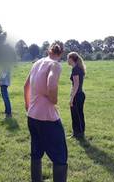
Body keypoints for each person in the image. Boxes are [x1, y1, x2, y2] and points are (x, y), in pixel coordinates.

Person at [24, 42, 68, 182]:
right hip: (48, 119)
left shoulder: (36, 63)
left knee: (36, 153)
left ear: (48, 51)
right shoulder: (55, 65)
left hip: (32, 116)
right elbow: (51, 84)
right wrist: (54, 100)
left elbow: (26, 86)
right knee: (60, 156)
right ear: (61, 54)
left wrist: (27, 104)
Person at [67, 52, 86, 138]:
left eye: (68, 58)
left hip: (77, 95)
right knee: (79, 114)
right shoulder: (79, 68)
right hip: (80, 94)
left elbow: (76, 85)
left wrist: (71, 98)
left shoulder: (75, 69)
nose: (67, 60)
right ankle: (80, 132)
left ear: (71, 59)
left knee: (75, 115)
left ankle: (77, 133)